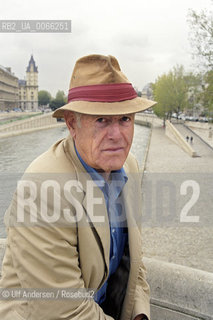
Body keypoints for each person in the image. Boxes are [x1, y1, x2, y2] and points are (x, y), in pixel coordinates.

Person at [0, 54, 156, 320]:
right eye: (102, 121)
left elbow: (135, 260)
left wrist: (139, 314)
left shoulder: (128, 165)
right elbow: (64, 311)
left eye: (125, 120)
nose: (117, 135)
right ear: (72, 124)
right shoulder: (41, 190)